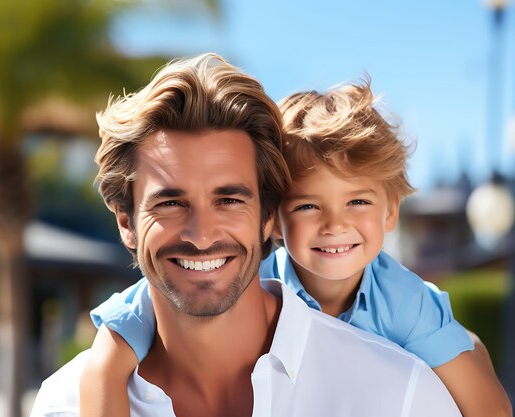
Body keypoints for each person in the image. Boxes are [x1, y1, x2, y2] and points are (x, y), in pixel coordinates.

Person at [30, 53, 462, 417]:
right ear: (126, 221)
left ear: (269, 216)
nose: (201, 236)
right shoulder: (64, 405)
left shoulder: (399, 396)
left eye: (229, 200)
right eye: (170, 203)